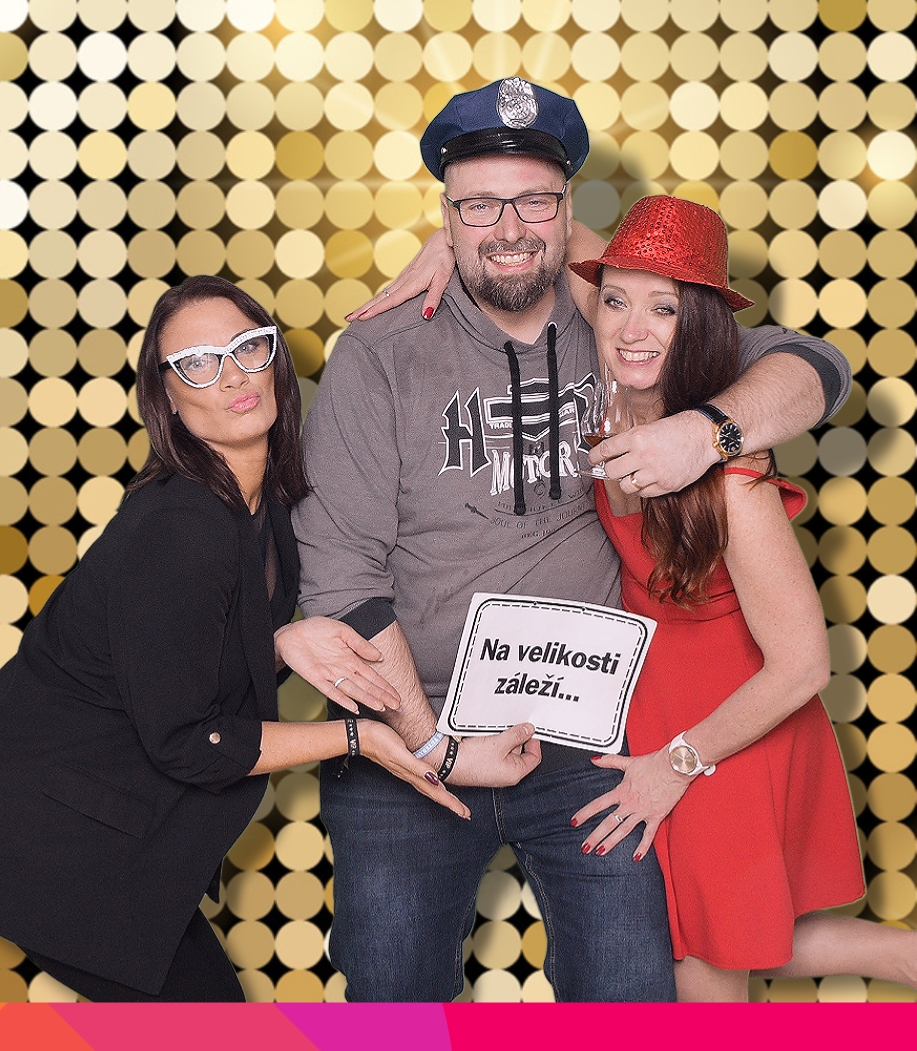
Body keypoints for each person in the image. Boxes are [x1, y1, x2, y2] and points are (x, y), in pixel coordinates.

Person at [295, 78, 854, 1002]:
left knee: (634, 991)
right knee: (392, 998)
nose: (507, 229)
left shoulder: (615, 316)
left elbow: (814, 368)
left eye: (533, 203)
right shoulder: (379, 354)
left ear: (568, 215)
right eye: (478, 206)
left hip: (590, 728)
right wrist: (434, 745)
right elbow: (338, 570)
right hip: (413, 725)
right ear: (444, 216)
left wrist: (705, 432)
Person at [0, 277, 466, 1002]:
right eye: (198, 362)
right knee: (210, 1045)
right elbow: (189, 740)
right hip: (24, 826)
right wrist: (356, 738)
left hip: (97, 817)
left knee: (206, 1043)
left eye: (247, 347)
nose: (232, 374)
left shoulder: (265, 505)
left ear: (275, 359)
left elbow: (175, 654)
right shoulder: (180, 529)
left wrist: (278, 642)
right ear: (167, 396)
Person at [564, 195, 917, 1002]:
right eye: (614, 301)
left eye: (663, 308)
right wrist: (448, 240)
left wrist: (676, 764)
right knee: (706, 929)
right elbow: (542, 230)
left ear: (701, 324)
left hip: (725, 732)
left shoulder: (730, 476)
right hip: (655, 710)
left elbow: (802, 664)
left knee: (702, 965)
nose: (631, 328)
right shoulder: (623, 391)